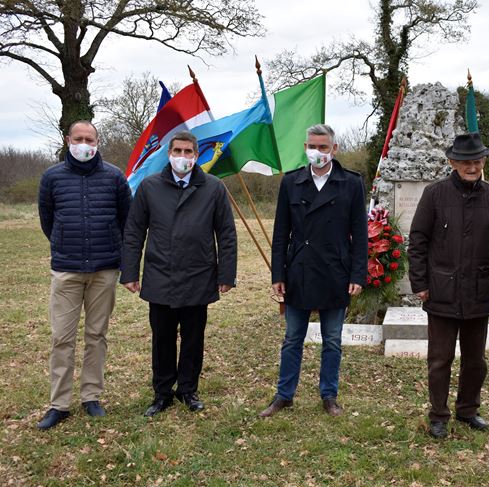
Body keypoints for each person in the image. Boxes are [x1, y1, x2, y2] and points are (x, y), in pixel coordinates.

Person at [120, 131, 237, 417]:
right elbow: (134, 231)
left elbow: (226, 234)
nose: (182, 157)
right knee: (162, 338)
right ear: (168, 153)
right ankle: (162, 393)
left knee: (194, 338)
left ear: (197, 156)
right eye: (177, 151)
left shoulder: (214, 187)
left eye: (188, 152)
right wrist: (130, 272)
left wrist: (226, 274)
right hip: (160, 275)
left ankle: (188, 389)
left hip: (199, 275)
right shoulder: (149, 187)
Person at [408, 133, 489, 439]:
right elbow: (418, 240)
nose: (472, 166)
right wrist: (420, 282)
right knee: (440, 359)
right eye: (466, 161)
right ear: (453, 162)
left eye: (477, 160)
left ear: (484, 162)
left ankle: (468, 409)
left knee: (475, 361)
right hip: (441, 290)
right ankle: (439, 414)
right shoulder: (435, 194)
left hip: (479, 291)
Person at [260, 124, 368, 418]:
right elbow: (281, 232)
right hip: (299, 271)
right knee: (293, 338)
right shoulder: (291, 182)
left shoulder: (351, 183)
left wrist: (358, 274)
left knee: (332, 340)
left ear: (335, 149)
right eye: (312, 146)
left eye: (323, 147)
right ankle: (284, 395)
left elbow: (360, 234)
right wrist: (278, 275)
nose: (317, 152)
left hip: (336, 271)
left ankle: (329, 396)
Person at [37, 120, 132, 430]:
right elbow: (48, 221)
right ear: (68, 140)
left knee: (96, 335)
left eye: (88, 138)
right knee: (61, 338)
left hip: (104, 270)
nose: (83, 143)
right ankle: (58, 404)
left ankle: (91, 396)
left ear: (97, 141)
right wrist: (66, 243)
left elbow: (126, 220)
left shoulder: (115, 177)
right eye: (78, 138)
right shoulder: (52, 177)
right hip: (66, 271)